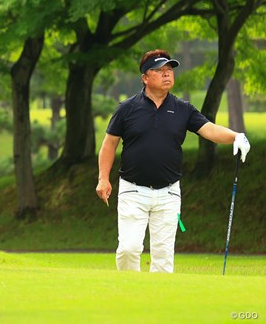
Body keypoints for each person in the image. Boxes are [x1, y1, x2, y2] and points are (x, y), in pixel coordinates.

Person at [96, 49, 251, 273]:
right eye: (159, 70)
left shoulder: (182, 109)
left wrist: (235, 136)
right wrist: (103, 178)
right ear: (145, 78)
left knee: (163, 256)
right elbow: (108, 145)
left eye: (169, 70)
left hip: (168, 193)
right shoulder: (127, 109)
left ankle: (158, 305)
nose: (167, 74)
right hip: (133, 190)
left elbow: (210, 130)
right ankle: (128, 299)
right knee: (129, 249)